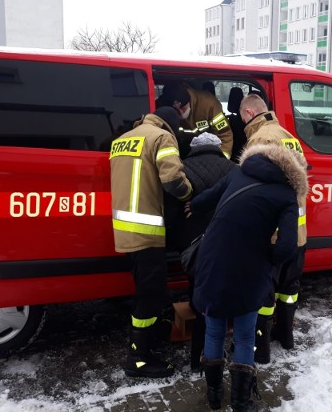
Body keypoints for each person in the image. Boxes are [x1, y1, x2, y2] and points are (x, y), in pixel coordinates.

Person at [189, 142, 308, 412]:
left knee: (214, 329)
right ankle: (242, 403)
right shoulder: (287, 196)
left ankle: (214, 396)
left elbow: (204, 200)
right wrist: (266, 256)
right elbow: (288, 247)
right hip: (248, 269)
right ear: (296, 175)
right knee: (244, 336)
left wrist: (192, 207)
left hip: (212, 260)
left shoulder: (239, 173)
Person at [109, 106, 193, 379]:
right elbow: (172, 181)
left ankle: (150, 338)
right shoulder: (161, 138)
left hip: (125, 230)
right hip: (147, 232)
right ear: (171, 125)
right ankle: (138, 358)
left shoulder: (124, 139)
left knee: (147, 290)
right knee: (150, 296)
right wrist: (191, 194)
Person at [239, 94, 307, 364]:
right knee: (289, 287)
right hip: (298, 231)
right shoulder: (289, 136)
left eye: (242, 115)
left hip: (274, 233)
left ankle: (261, 347)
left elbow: (256, 189)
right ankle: (285, 336)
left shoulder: (260, 139)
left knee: (265, 290)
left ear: (249, 111)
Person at [163, 132, 237, 371]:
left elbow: (173, 213)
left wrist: (176, 240)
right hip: (225, 242)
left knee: (198, 288)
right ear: (217, 148)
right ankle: (224, 346)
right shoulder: (234, 169)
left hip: (193, 245)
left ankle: (199, 359)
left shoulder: (183, 170)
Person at [160, 82, 233, 160]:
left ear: (189, 101)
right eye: (177, 110)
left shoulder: (208, 104)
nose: (181, 113)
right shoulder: (163, 110)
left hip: (208, 148)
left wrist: (222, 160)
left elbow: (224, 134)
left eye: (183, 108)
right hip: (181, 147)